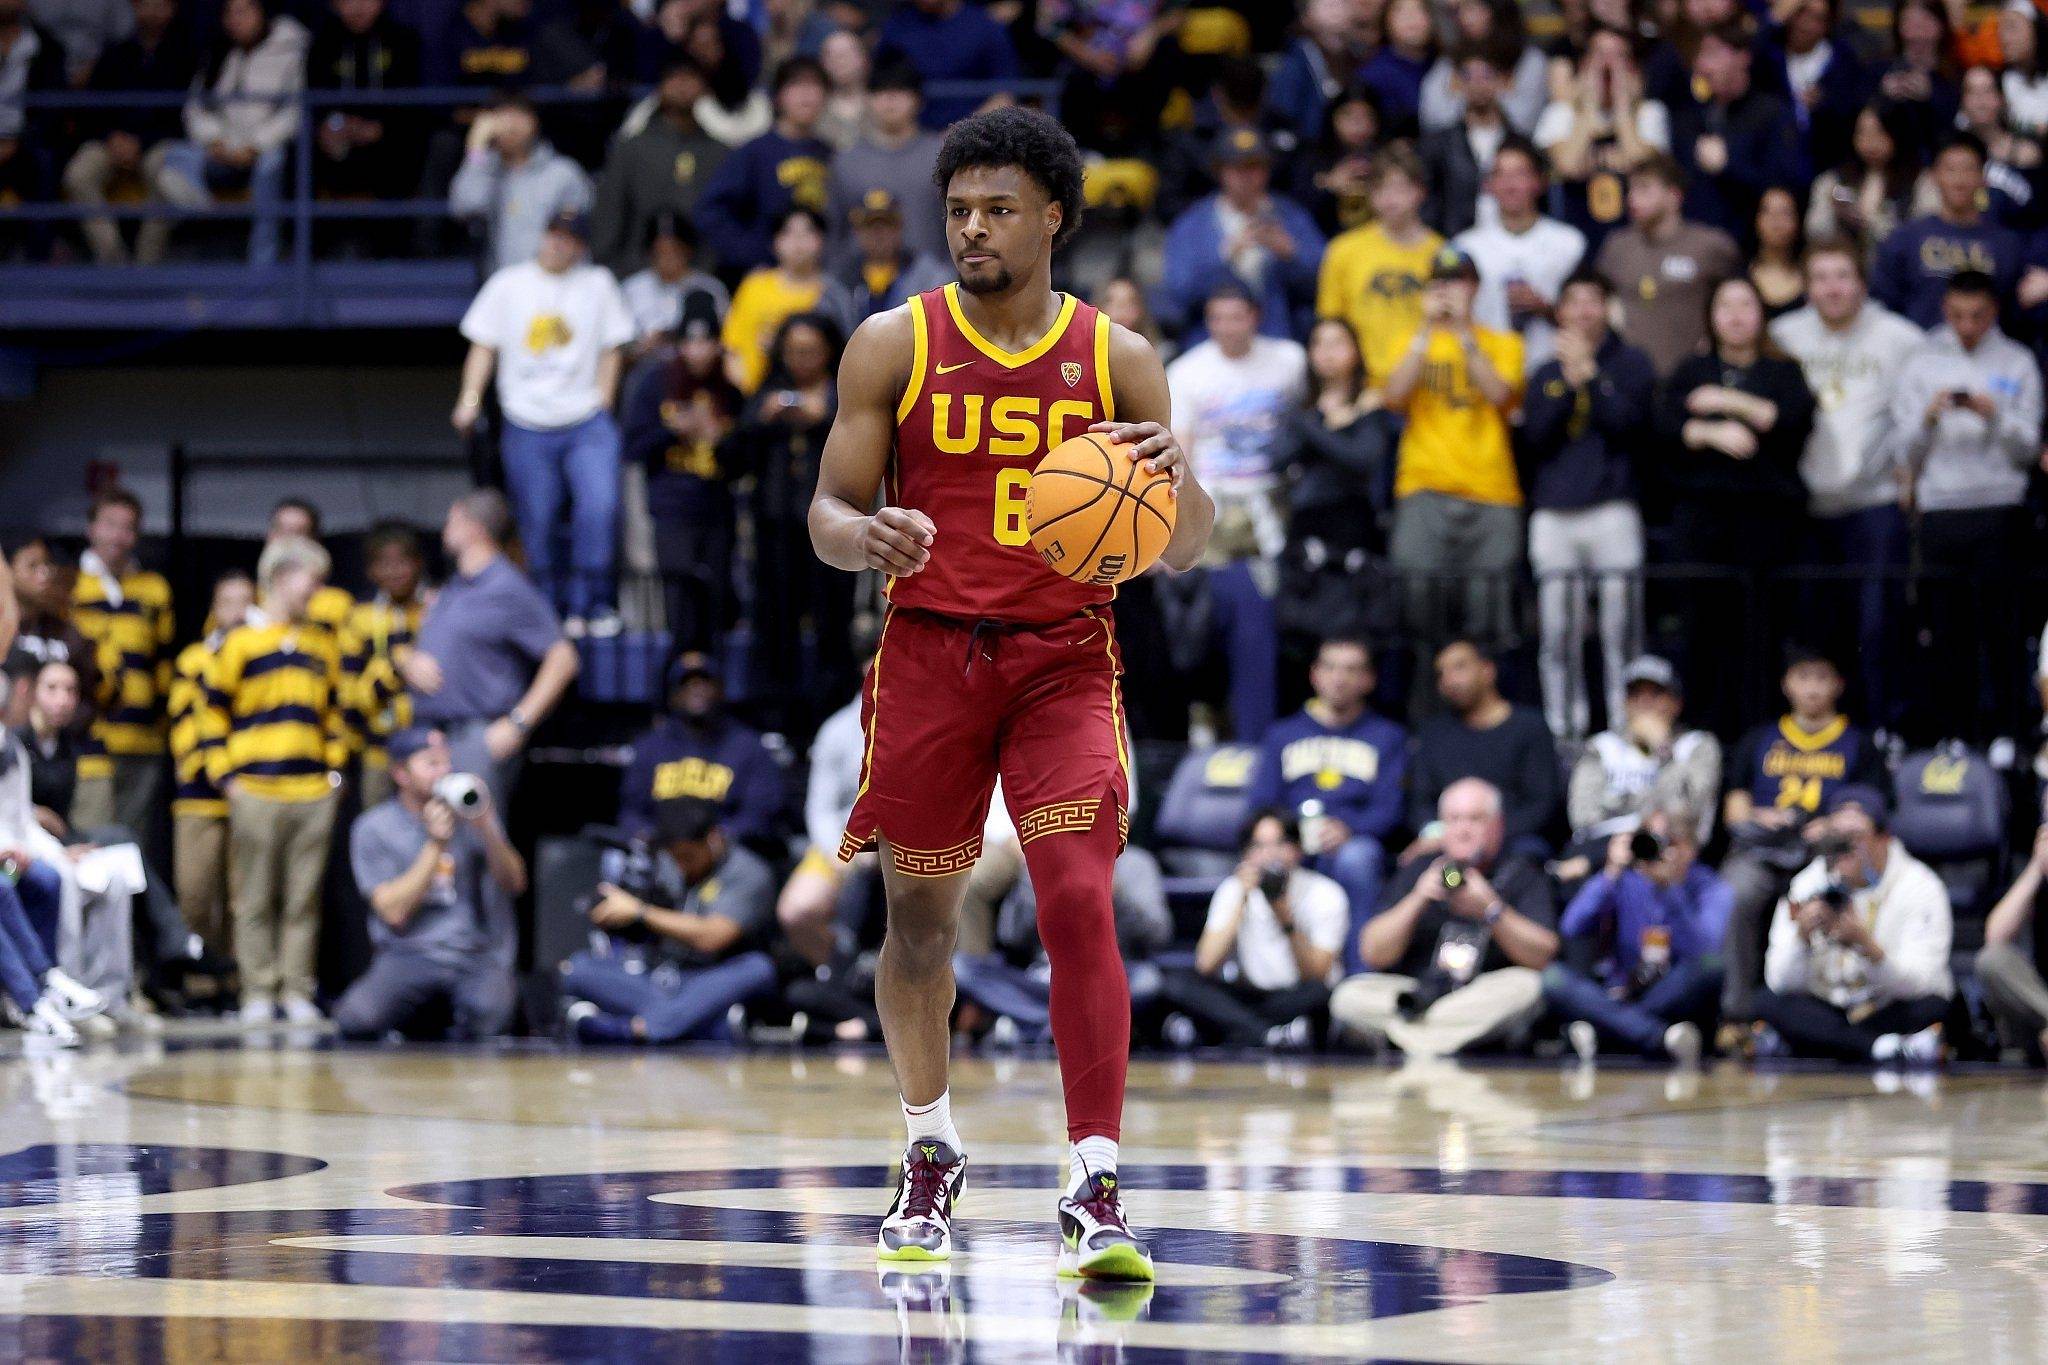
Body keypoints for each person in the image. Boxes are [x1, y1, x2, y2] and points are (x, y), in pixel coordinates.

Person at [808, 106, 1215, 1278]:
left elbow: (1184, 545)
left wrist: (1179, 484)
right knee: (920, 926)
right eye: (958, 210)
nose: (972, 228)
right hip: (930, 655)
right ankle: (927, 1150)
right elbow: (826, 512)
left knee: (1077, 901)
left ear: (1053, 218)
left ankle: (1094, 1183)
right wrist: (860, 531)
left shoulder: (1116, 358)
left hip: (1062, 660)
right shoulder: (893, 341)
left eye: (996, 209)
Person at [455, 207, 633, 632]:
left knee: (600, 507)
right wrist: (470, 398)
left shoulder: (598, 283)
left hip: (586, 420)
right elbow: (483, 345)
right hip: (525, 419)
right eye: (553, 233)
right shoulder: (509, 282)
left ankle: (592, 606)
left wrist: (604, 401)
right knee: (538, 518)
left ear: (581, 247)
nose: (557, 242)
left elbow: (614, 346)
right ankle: (548, 610)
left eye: (568, 237)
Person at [1769, 240, 1922, 731]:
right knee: (1812, 633)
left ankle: (1883, 731)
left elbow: (1917, 411)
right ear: (1807, 285)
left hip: (1874, 505)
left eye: (1842, 277)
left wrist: (1911, 471)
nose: (1832, 289)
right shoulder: (1783, 334)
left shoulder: (1900, 338)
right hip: (1805, 508)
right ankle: (1819, 740)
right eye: (1820, 278)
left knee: (1878, 627)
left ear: (1862, 283)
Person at [1888, 269, 2042, 740]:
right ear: (1944, 310)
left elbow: (2029, 448)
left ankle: (2008, 736)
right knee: (1944, 633)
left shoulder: (2017, 362)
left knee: (2004, 631)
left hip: (2000, 510)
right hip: (1940, 512)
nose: (1967, 325)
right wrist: (1929, 418)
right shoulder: (1921, 363)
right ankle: (1952, 736)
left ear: (1993, 311)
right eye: (1957, 316)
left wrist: (1993, 415)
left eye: (1977, 316)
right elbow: (1903, 453)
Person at [202, 536, 348, 1025]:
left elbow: (334, 714)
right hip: (255, 790)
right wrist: (226, 778)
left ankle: (296, 989)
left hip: (311, 793)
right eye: (313, 579)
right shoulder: (239, 640)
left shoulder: (321, 641)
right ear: (283, 577)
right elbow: (211, 714)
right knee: (253, 896)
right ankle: (258, 992)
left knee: (303, 898)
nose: (318, 590)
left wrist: (333, 771)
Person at [1717, 645, 1887, 1026]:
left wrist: (1833, 823)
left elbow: (1872, 811)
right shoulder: (1759, 740)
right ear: (1787, 685)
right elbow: (1733, 810)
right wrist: (1759, 815)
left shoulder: (1857, 744)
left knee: (1842, 890)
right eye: (1803, 678)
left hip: (1824, 853)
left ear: (1838, 685)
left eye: (1822, 678)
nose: (1812, 689)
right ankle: (1737, 1015)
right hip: (1764, 851)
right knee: (1734, 892)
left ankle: (1840, 1009)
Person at [1330, 777, 1559, 1056]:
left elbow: (1542, 956)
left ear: (1497, 825)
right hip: (1417, 992)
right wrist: (1418, 898)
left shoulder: (1521, 871)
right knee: (1348, 995)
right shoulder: (1420, 869)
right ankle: (1437, 1040)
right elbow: (1372, 953)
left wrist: (1491, 909)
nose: (1463, 830)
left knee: (1528, 988)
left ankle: (1409, 1041)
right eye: (1454, 819)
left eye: (1475, 820)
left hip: (1477, 995)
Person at [1520, 270, 1653, 739]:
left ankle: (1626, 727)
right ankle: (1564, 730)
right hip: (1555, 513)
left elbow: (1632, 430)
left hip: (1612, 507)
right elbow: (1535, 440)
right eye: (1571, 302)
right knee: (1558, 632)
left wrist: (1593, 380)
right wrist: (1568, 385)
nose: (1581, 311)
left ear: (1608, 307)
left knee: (1622, 628)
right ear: (1559, 312)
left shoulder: (1632, 363)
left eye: (1591, 301)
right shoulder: (1544, 372)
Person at [402, 489, 580, 818]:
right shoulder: (457, 584)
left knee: (476, 841)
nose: (445, 528)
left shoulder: (506, 586)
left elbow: (563, 657)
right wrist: (410, 661)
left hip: (474, 736)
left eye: (453, 520)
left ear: (475, 528)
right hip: (432, 733)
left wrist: (518, 724)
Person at [1383, 243, 1525, 656]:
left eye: (1457, 281)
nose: (1447, 290)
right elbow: (1394, 395)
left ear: (1475, 287)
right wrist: (1427, 331)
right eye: (1439, 282)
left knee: (1489, 609)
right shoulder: (1411, 342)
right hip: (1424, 485)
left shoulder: (1504, 343)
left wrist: (1464, 332)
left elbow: (1501, 395)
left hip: (1491, 489)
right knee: (1417, 601)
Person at [1657, 276, 1816, 643]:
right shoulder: (1693, 370)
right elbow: (1664, 425)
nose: (1735, 316)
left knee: (1763, 632)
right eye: (1725, 306)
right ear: (1710, 316)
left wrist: (1725, 401)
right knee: (1704, 634)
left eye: (1745, 305)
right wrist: (1706, 432)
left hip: (1766, 521)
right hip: (1703, 523)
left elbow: (1794, 419)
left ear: (1761, 314)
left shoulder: (1783, 371)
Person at [335, 727, 520, 1041]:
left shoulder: (471, 814)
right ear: (401, 774)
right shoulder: (374, 827)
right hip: (406, 954)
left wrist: (487, 825)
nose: (444, 771)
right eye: (431, 763)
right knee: (356, 1019)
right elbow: (393, 912)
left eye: (447, 762)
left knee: (494, 1017)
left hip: (471, 954)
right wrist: (435, 845)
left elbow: (514, 882)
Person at [1753, 785, 1953, 1063]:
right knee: (1767, 1002)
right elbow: (1780, 980)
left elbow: (1922, 982)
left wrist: (1868, 948)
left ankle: (1824, 1043)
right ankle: (1882, 1048)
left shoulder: (1921, 887)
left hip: (1887, 1005)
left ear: (1883, 838)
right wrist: (1801, 938)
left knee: (1935, 1006)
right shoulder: (1806, 884)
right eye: (1837, 839)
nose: (1845, 849)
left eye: (1855, 838)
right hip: (1830, 1006)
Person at [560, 796, 780, 1043]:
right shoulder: (665, 863)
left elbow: (713, 936)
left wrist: (640, 911)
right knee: (578, 968)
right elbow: (638, 927)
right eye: (676, 857)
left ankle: (634, 1030)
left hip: (715, 978)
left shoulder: (748, 872)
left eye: (688, 857)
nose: (682, 866)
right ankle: (706, 1026)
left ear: (714, 838)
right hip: (663, 979)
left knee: (759, 969)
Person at [1246, 637, 1406, 971]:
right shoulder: (1282, 735)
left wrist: (1350, 830)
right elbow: (1261, 804)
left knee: (1357, 858)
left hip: (1352, 845)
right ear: (1315, 675)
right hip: (1291, 847)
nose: (1339, 678)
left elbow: (1391, 809)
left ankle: (1359, 979)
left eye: (1351, 669)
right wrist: (1287, 841)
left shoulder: (1388, 737)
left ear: (1369, 679)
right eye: (1331, 667)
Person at [736, 312, 851, 731]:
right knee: (774, 621)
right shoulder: (765, 392)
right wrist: (763, 417)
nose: (802, 360)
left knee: (831, 623)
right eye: (794, 352)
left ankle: (830, 719)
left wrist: (822, 414)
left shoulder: (845, 392)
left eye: (811, 351)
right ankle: (775, 722)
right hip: (775, 526)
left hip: (831, 523)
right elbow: (736, 449)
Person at [1544, 800, 1726, 1063]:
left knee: (1712, 965)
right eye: (1651, 840)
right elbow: (1571, 926)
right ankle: (1658, 1037)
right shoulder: (1622, 880)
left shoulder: (1705, 885)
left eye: (1669, 842)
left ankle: (1610, 1031)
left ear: (1689, 848)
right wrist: (1610, 873)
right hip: (1621, 988)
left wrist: (1671, 890)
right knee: (1553, 978)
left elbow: (1703, 950)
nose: (1658, 850)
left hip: (1668, 993)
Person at [620, 291, 743, 650]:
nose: (698, 351)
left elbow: (744, 460)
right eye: (690, 341)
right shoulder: (655, 384)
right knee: (679, 593)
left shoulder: (730, 392)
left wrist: (718, 439)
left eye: (707, 341)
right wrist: (673, 430)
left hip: (717, 509)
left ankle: (712, 679)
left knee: (717, 594)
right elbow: (633, 447)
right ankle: (682, 676)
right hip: (671, 507)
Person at [1162, 809, 1345, 1047]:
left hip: (1293, 996)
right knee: (1178, 984)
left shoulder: (1325, 893)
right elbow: (1206, 964)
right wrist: (1241, 900)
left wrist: (1284, 916)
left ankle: (1226, 1030)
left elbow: (1317, 975)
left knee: (1322, 995)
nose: (1270, 855)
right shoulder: (1233, 889)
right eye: (1259, 847)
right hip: (1247, 994)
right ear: (1246, 854)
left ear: (1297, 849)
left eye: (1279, 844)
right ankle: (1270, 1036)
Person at [1164, 280, 1307, 562]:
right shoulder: (1185, 371)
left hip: (1274, 493)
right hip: (1215, 496)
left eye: (1236, 318)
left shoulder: (1290, 360)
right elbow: (1182, 444)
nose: (1227, 327)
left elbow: (1303, 419)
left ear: (1255, 316)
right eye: (1218, 319)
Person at [160, 0, 306, 266]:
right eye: (230, 13)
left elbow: (293, 113)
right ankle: (217, 233)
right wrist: (215, 141)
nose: (236, 19)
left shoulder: (291, 50)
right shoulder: (217, 52)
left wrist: (255, 146)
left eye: (244, 11)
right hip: (222, 151)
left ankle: (263, 263)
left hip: (262, 152)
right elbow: (194, 109)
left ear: (262, 13)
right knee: (171, 158)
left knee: (273, 164)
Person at [70, 487, 173, 861]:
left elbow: (163, 667)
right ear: (91, 528)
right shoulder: (69, 586)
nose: (118, 536)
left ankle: (131, 924)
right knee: (93, 845)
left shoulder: (154, 589)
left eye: (128, 528)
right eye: (110, 524)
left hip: (143, 743)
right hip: (90, 742)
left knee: (134, 854)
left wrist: (160, 728)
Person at [1158, 129, 1325, 345]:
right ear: (1220, 172)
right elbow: (1178, 292)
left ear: (1267, 171)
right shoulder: (1194, 223)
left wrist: (1290, 253)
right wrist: (1225, 256)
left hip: (1277, 341)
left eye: (1254, 167)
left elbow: (1324, 280)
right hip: (1210, 346)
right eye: (1236, 168)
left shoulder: (1291, 216)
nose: (1246, 177)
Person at [61, 0, 196, 266]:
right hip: (111, 141)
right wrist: (111, 137)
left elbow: (184, 116)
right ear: (135, 7)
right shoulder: (116, 53)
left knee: (167, 173)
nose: (154, 11)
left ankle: (147, 263)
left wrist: (141, 142)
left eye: (162, 4)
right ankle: (113, 260)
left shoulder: (186, 56)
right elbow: (92, 109)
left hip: (159, 142)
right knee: (77, 175)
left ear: (173, 8)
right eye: (147, 4)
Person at [618, 651, 785, 854]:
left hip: (726, 854)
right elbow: (631, 810)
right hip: (663, 852)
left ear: (721, 690)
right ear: (672, 696)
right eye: (687, 684)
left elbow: (761, 812)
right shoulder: (650, 746)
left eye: (704, 683)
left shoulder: (748, 747)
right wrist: (648, 836)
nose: (696, 690)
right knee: (616, 860)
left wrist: (722, 838)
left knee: (752, 872)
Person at [1409, 638, 1562, 859]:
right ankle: (1451, 890)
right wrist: (1444, 834)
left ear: (1488, 670)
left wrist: (1485, 836)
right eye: (1442, 673)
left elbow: (1541, 804)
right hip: (1448, 846)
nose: (1450, 680)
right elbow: (1420, 802)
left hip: (1512, 844)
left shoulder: (1529, 728)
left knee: (1529, 857)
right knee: (1421, 868)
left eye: (1459, 667)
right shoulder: (1433, 734)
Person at [167, 570, 251, 963]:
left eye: (246, 602)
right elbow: (182, 720)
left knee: (245, 895)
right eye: (228, 602)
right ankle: (201, 977)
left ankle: (238, 979)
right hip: (199, 792)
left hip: (251, 788)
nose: (237, 612)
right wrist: (202, 764)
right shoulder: (193, 659)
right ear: (215, 609)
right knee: (196, 893)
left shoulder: (263, 656)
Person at [1594, 154, 1743, 377]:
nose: (1632, 198)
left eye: (1644, 189)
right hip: (1631, 379)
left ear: (1674, 196)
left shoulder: (1711, 246)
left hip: (1694, 376)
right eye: (1631, 189)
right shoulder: (1617, 247)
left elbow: (1740, 296)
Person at [1565, 655, 1722, 855]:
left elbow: (1691, 814)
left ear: (1677, 703)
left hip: (1671, 853)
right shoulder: (1601, 747)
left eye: (1656, 693)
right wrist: (1644, 816)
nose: (1645, 702)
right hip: (1603, 854)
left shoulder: (1697, 746)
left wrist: (1663, 751)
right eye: (1635, 693)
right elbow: (1583, 818)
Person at [1535, 24, 1670, 254]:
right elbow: (1567, 165)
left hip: (1635, 241)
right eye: (1599, 55)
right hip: (1573, 234)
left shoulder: (1650, 112)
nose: (1608, 65)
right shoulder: (1560, 114)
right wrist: (1588, 108)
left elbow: (1643, 164)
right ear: (1583, 64)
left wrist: (1621, 106)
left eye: (1618, 57)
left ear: (1633, 68)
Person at [1316, 144, 1443, 388]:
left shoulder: (1441, 254)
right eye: (1379, 189)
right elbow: (1331, 325)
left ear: (1420, 192)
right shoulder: (1343, 250)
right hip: (1362, 386)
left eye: (1399, 188)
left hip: (1423, 386)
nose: (1389, 199)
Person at [1665, 22, 1802, 244]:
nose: (1702, 65)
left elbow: (1782, 184)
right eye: (1700, 55)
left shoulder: (1770, 114)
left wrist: (1729, 166)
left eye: (1712, 54)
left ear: (1743, 57)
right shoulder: (1690, 116)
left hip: (1748, 241)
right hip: (1693, 242)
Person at [590, 57, 728, 277]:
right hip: (634, 271)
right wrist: (608, 265)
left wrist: (713, 269)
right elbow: (611, 211)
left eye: (690, 77)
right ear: (659, 86)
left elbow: (722, 220)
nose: (682, 85)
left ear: (704, 87)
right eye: (674, 77)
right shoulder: (630, 147)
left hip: (703, 273)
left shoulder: (720, 152)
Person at [1455, 138, 1586, 368]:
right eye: (1500, 175)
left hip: (1554, 370)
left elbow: (1589, 318)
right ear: (1488, 185)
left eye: (1520, 174)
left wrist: (1545, 308)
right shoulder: (1466, 247)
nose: (1509, 184)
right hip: (1485, 376)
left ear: (1539, 182)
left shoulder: (1569, 244)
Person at [696, 57, 833, 277]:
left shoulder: (832, 155)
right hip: (768, 280)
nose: (807, 95)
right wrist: (753, 257)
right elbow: (712, 212)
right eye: (796, 85)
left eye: (815, 86)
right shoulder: (754, 153)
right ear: (778, 97)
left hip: (822, 280)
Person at [1274, 316, 1398, 554]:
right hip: (1305, 519)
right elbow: (1277, 458)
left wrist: (1314, 428)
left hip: (1354, 520)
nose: (1327, 352)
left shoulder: (1369, 404)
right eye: (1319, 344)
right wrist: (1322, 419)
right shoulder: (1303, 408)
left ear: (1356, 351)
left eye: (1337, 343)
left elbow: (1363, 459)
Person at [1871, 133, 2023, 327]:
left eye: (1968, 169)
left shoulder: (2006, 244)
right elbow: (1883, 306)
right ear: (1934, 175)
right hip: (1918, 350)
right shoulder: (1904, 238)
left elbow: (2012, 315)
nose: (1959, 180)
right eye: (1950, 169)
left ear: (1983, 177)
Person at [449, 90, 592, 273]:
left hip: (557, 284)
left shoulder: (563, 173)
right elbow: (467, 205)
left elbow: (579, 236)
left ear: (535, 122)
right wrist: (477, 148)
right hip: (504, 286)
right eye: (503, 116)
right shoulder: (484, 170)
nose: (511, 125)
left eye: (519, 115)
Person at [826, 61, 947, 268]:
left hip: (934, 283)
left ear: (918, 99)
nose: (890, 99)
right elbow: (834, 233)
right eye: (880, 91)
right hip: (861, 286)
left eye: (900, 90)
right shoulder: (846, 162)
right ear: (867, 99)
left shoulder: (943, 156)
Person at [340, 521, 427, 808]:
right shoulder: (360, 617)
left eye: (403, 562)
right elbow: (352, 694)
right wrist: (393, 672)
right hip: (378, 750)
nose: (395, 572)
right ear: (371, 570)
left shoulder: (434, 610)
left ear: (418, 563)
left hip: (429, 746)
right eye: (384, 564)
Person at [305, 0, 423, 210]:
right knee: (299, 156)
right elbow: (314, 100)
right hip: (336, 136)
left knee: (403, 151)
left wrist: (380, 129)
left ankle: (392, 240)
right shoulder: (322, 43)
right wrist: (332, 126)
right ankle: (310, 241)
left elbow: (413, 105)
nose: (358, 8)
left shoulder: (404, 40)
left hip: (389, 138)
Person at [722, 206, 838, 393]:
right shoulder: (754, 286)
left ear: (821, 240)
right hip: (752, 400)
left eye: (807, 232)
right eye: (788, 233)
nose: (798, 242)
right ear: (775, 242)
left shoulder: (832, 294)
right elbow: (732, 348)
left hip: (816, 404)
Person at [872, 0, 1019, 129]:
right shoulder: (897, 27)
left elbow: (1004, 96)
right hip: (907, 139)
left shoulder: (985, 27)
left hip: (973, 140)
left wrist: (960, 133)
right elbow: (876, 85)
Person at [1418, 46, 1517, 239]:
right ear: (1456, 84)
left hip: (1511, 243)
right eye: (1468, 76)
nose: (1477, 84)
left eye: (1487, 75)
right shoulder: (1438, 144)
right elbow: (1428, 204)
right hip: (1454, 242)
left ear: (1503, 82)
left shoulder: (1519, 144)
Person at [1803, 101, 1920, 263]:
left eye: (1879, 132)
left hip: (1897, 271)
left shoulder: (1919, 181)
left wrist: (1868, 223)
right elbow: (1815, 232)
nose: (1870, 141)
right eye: (1862, 133)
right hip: (1844, 273)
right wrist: (1834, 213)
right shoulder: (1832, 180)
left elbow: (1920, 237)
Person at [825, 190, 951, 332]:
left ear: (899, 229)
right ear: (857, 233)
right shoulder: (839, 282)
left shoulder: (930, 278)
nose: (879, 234)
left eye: (887, 225)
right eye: (871, 227)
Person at [1975, 819, 2048, 1062]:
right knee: (1991, 960)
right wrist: (2036, 868)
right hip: (2040, 1002)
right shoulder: (2038, 870)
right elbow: (1994, 935)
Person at [618, 214, 728, 355]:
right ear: (649, 254)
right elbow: (618, 344)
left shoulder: (711, 289)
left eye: (675, 250)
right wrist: (642, 345)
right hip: (642, 368)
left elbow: (724, 343)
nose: (668, 258)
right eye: (660, 252)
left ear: (688, 251)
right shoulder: (631, 289)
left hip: (693, 371)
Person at [1269, 0, 1367, 145]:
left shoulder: (1362, 60)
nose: (1337, 13)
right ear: (1306, 18)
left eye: (1343, 4)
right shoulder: (1292, 67)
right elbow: (1282, 125)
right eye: (1329, 5)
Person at [265, 498, 354, 633]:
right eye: (282, 530)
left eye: (299, 532)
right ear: (269, 535)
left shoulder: (336, 603)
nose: (289, 540)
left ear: (315, 540)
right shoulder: (241, 597)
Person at [1360, 0, 1434, 133]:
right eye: (1400, 10)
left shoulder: (1444, 66)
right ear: (1385, 20)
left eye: (1420, 10)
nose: (1411, 17)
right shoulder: (1373, 75)